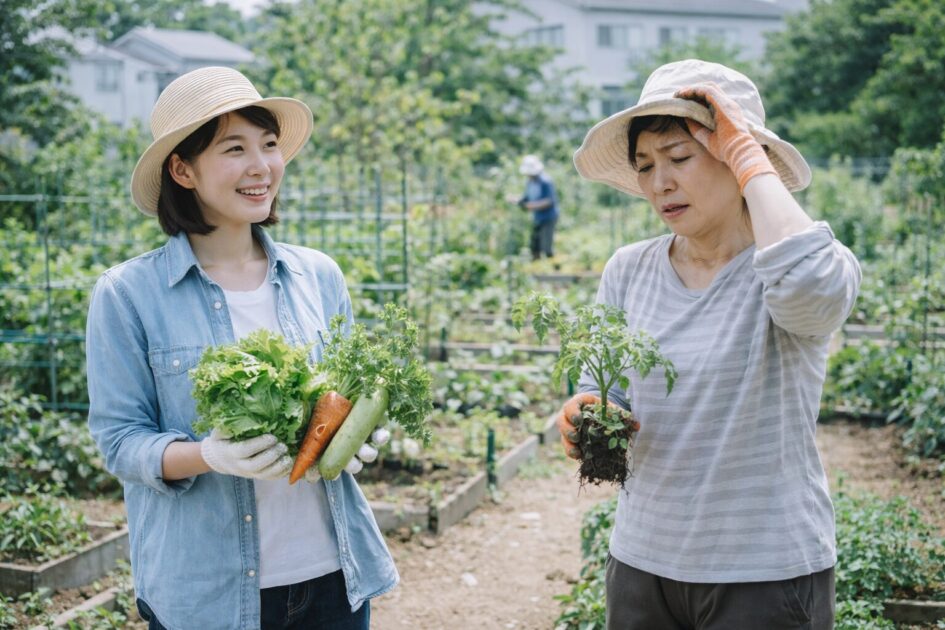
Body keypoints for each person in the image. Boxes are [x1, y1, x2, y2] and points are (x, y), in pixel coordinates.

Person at [85, 67, 396, 630]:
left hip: (333, 579)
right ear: (182, 168)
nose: (262, 167)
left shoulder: (318, 276)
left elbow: (348, 392)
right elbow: (119, 441)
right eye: (235, 148)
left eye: (269, 145)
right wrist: (206, 455)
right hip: (205, 592)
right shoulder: (128, 295)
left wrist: (363, 431)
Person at [560, 59, 861, 628]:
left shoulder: (787, 265)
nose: (659, 183)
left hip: (764, 572)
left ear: (736, 159)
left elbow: (818, 294)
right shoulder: (629, 270)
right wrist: (589, 413)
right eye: (645, 165)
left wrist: (748, 157)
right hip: (643, 563)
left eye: (679, 158)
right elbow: (608, 389)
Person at [517, 154, 559, 260]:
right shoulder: (529, 182)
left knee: (546, 245)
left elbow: (549, 201)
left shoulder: (545, 182)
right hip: (537, 217)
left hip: (548, 217)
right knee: (534, 244)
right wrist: (519, 201)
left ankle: (551, 268)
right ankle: (536, 265)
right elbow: (527, 197)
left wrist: (532, 206)